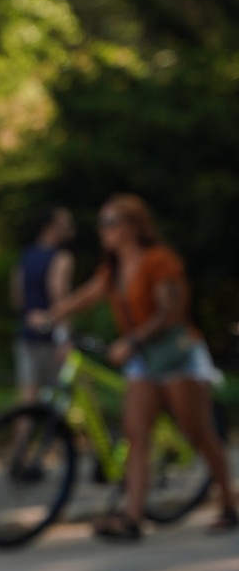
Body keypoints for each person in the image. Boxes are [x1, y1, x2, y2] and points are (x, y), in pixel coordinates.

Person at [31, 193, 237, 540]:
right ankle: (133, 517)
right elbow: (86, 296)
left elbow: (171, 312)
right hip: (143, 360)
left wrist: (132, 342)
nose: (104, 230)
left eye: (111, 222)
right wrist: (50, 316)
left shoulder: (159, 260)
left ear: (135, 226)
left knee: (198, 433)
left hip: (177, 356)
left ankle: (228, 504)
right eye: (102, 223)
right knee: (136, 434)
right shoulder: (112, 270)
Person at [11, 206, 76, 401]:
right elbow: (59, 295)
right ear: (51, 226)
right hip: (52, 338)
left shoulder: (25, 256)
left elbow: (17, 297)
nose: (71, 228)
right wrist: (65, 338)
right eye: (66, 224)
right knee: (59, 404)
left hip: (27, 334)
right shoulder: (62, 258)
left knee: (28, 402)